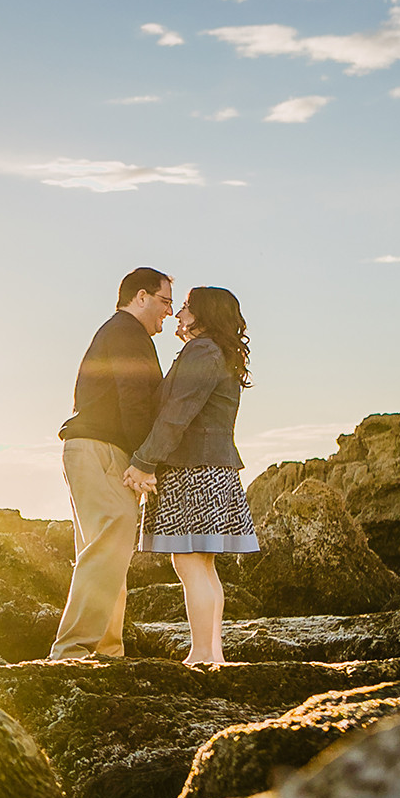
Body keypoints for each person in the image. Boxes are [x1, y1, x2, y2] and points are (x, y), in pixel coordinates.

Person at [124, 285, 257, 666]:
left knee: (189, 563)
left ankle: (201, 653)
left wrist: (145, 461)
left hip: (193, 470)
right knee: (202, 564)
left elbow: (177, 412)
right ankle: (212, 652)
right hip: (216, 470)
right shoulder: (222, 353)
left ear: (203, 314)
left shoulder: (202, 351)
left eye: (185, 308)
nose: (179, 314)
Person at [50, 267, 171, 658]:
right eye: (165, 301)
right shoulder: (127, 333)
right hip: (102, 451)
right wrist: (146, 462)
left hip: (90, 450)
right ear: (141, 297)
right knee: (108, 548)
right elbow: (134, 399)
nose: (168, 312)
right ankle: (71, 653)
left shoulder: (116, 331)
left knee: (106, 551)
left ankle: (106, 652)